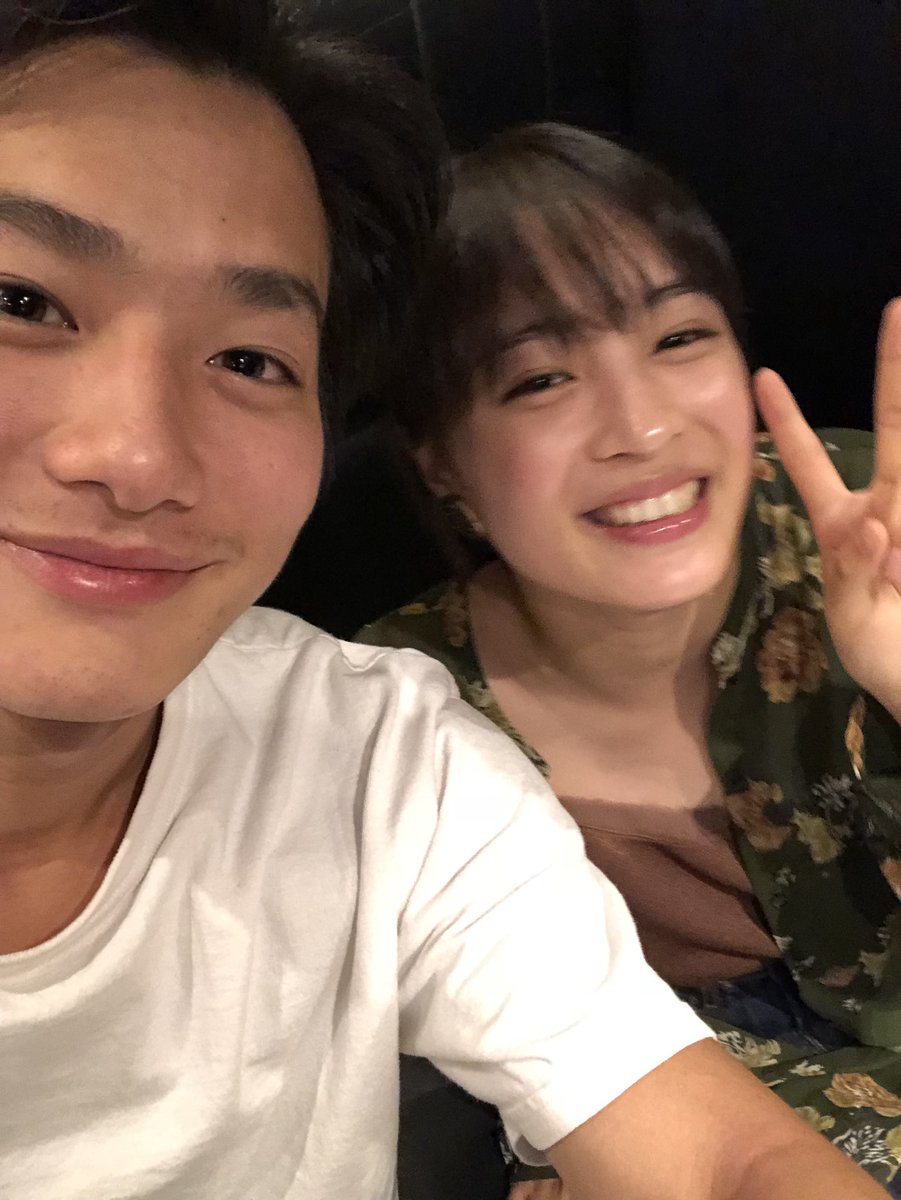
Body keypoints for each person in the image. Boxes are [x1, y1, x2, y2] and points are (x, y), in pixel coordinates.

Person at [0, 5, 883, 1198]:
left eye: (249, 358)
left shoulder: (378, 766)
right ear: (438, 464)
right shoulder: (436, 715)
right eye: (22, 301)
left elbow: (725, 1159)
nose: (137, 457)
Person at [359, 122, 901, 1196]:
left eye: (678, 338)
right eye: (538, 380)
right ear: (441, 464)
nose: (641, 427)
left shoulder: (864, 526)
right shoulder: (396, 717)